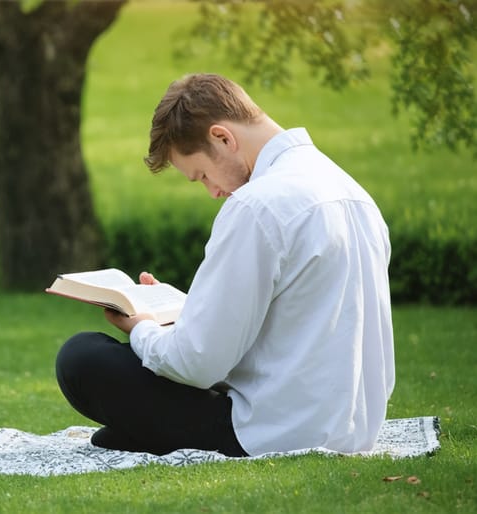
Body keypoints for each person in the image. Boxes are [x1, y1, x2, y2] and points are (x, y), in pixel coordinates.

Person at [55, 73, 395, 457]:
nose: (213, 192)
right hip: (353, 426)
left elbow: (199, 364)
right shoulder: (352, 192)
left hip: (273, 431)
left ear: (222, 137)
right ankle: (143, 434)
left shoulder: (257, 205)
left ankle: (147, 434)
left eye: (202, 175)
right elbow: (289, 322)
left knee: (82, 358)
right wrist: (186, 312)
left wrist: (143, 327)